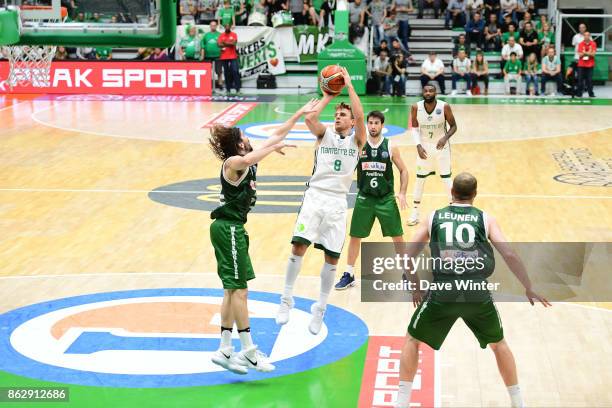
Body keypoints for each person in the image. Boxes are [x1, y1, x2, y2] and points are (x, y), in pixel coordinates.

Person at [394, 172, 551, 408]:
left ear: (451, 193)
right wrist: (528, 286)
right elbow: (509, 254)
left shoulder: (434, 216)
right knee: (499, 344)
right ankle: (518, 402)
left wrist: (416, 287)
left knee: (412, 340)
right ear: (475, 195)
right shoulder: (485, 219)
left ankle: (401, 403)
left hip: (443, 291)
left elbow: (408, 256)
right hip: (476, 290)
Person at [208, 99, 318, 375]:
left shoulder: (249, 157)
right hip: (228, 227)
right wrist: (271, 149)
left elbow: (278, 132)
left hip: (233, 228)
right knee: (241, 290)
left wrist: (299, 112)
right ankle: (248, 351)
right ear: (238, 143)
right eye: (245, 136)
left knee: (232, 290)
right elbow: (247, 159)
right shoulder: (233, 162)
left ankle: (224, 348)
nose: (249, 138)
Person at [276, 68, 367, 335]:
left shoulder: (357, 140)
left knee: (331, 258)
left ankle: (321, 308)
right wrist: (329, 94)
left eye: (343, 115)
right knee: (297, 247)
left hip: (338, 202)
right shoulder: (323, 134)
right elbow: (311, 118)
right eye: (337, 115)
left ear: (351, 122)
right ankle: (286, 299)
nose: (338, 117)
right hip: (315, 196)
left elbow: (361, 116)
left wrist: (349, 86)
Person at [335, 111, 409, 289]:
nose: (373, 126)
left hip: (385, 199)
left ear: (382, 125)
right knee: (355, 237)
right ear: (367, 125)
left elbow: (404, 170)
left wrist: (403, 192)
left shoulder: (390, 145)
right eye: (370, 123)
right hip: (364, 198)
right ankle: (349, 273)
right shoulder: (359, 144)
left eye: (376, 123)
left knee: (398, 237)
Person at [407, 84, 457, 226]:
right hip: (424, 147)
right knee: (419, 180)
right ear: (422, 92)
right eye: (426, 91)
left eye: (431, 91)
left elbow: (454, 126)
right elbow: (415, 128)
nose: (428, 93)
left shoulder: (444, 107)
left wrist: (445, 138)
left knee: (447, 179)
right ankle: (415, 213)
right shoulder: (416, 107)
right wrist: (417, 145)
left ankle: (454, 210)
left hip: (442, 147)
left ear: (436, 93)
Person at [218, 23, 241, 94]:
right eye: (226, 26)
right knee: (226, 73)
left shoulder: (234, 34)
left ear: (230, 27)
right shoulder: (221, 35)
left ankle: (238, 89)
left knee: (235, 71)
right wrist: (229, 43)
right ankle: (228, 89)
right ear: (225, 27)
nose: (227, 27)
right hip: (224, 57)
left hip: (233, 56)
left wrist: (224, 43)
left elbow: (233, 44)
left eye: (229, 26)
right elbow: (219, 45)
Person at [202, 21, 224, 90]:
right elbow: (203, 45)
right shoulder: (206, 35)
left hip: (218, 55)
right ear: (210, 26)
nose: (213, 27)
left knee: (219, 71)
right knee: (207, 71)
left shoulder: (220, 35)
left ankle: (220, 84)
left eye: (214, 25)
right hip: (207, 56)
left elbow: (223, 45)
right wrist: (202, 55)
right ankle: (207, 84)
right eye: (212, 25)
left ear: (216, 26)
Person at [576, 31, 596, 98]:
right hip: (581, 65)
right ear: (583, 36)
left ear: (589, 36)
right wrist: (588, 52)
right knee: (580, 80)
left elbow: (593, 54)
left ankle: (591, 94)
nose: (586, 36)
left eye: (588, 35)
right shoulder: (580, 44)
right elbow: (580, 54)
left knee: (589, 80)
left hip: (590, 65)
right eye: (585, 35)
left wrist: (585, 52)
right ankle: (579, 94)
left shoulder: (593, 44)